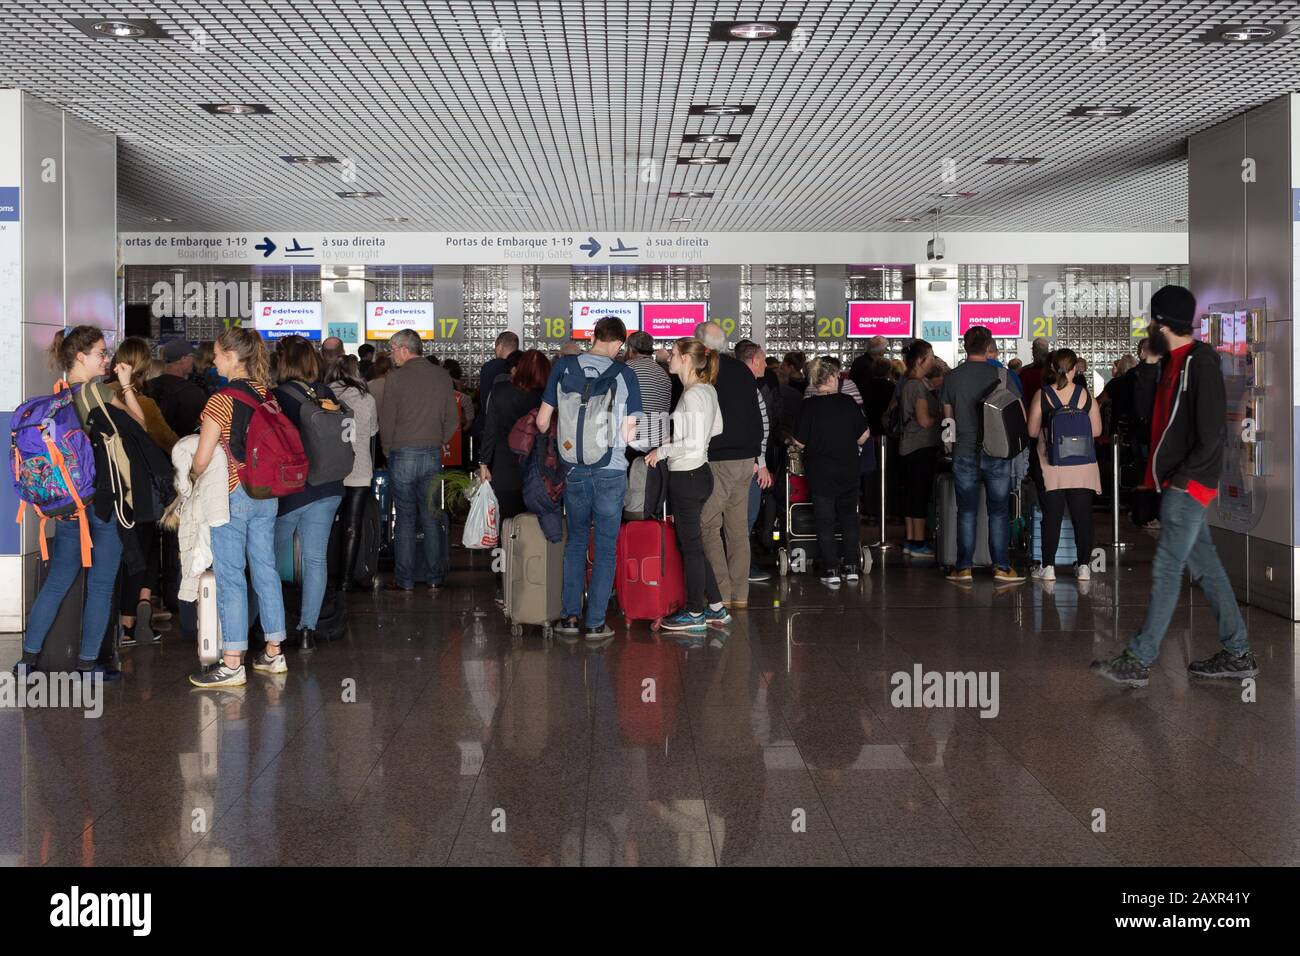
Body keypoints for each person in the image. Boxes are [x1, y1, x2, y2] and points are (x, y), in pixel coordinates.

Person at [1092, 286, 1257, 687]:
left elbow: (1210, 432)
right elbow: (1155, 420)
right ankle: (1238, 653)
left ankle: (1140, 658)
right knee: (1207, 568)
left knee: (1167, 570)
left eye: (1152, 320)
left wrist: (1182, 482)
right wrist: (1148, 367)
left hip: (1187, 486)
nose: (1149, 326)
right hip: (1175, 484)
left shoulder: (1200, 363)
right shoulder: (1171, 362)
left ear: (1162, 323)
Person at [12, 327, 145, 681]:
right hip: (102, 503)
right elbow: (140, 426)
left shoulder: (54, 400)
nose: (107, 359)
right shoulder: (98, 392)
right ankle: (88, 666)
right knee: (101, 584)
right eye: (101, 353)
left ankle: (27, 661)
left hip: (67, 502)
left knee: (57, 581)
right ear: (81, 357)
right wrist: (128, 385)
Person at [188, 327, 288, 688]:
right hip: (266, 493)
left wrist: (189, 475)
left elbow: (201, 459)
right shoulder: (267, 395)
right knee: (265, 569)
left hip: (232, 494)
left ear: (232, 356)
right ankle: (274, 652)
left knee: (231, 575)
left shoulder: (221, 399)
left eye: (217, 353)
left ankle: (232, 662)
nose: (213, 360)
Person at [537, 316, 642, 640]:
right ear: (620, 343)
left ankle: (569, 617)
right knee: (606, 547)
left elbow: (542, 423)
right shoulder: (625, 374)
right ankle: (595, 622)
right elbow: (630, 431)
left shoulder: (564, 367)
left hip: (574, 470)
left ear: (594, 336)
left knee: (576, 542)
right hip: (610, 470)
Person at [645, 338, 728, 631]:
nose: (669, 358)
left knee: (691, 547)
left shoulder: (692, 395)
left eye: (674, 354)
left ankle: (695, 614)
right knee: (694, 544)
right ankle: (716, 607)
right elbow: (716, 428)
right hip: (701, 472)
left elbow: (691, 441)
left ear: (686, 360)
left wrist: (662, 451)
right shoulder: (707, 391)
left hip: (687, 475)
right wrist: (677, 441)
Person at [269, 337, 346, 651]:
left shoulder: (276, 397)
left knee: (267, 559)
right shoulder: (326, 394)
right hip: (329, 486)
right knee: (315, 560)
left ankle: (269, 628)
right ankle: (307, 630)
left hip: (292, 489)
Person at [940, 325, 1025, 585]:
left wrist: (949, 447)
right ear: (989, 347)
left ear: (965, 346)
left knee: (966, 510)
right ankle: (1001, 566)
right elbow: (1016, 412)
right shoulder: (1002, 374)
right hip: (997, 452)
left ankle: (963, 568)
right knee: (998, 510)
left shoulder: (952, 377)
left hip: (964, 451)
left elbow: (948, 419)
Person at [107, 337, 178, 647]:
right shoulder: (143, 403)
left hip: (111, 487)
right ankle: (139, 608)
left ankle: (122, 625)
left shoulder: (97, 395)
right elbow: (165, 439)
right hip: (141, 488)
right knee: (146, 548)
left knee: (124, 552)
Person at [378, 329, 459, 593]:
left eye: (393, 349)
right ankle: (435, 577)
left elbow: (387, 421)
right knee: (432, 516)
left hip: (402, 454)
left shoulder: (395, 379)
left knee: (404, 518)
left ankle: (405, 580)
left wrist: (389, 450)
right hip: (432, 454)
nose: (391, 355)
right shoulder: (442, 376)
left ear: (404, 349)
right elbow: (452, 420)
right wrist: (439, 440)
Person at [696, 321, 767, 610]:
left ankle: (721, 592)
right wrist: (756, 458)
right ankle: (740, 594)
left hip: (719, 458)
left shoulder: (706, 372)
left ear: (701, 346)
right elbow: (757, 416)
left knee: (706, 523)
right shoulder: (742, 370)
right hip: (744, 460)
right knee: (737, 528)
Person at [793, 358, 870, 586]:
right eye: (837, 376)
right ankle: (852, 566)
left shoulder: (808, 406)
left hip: (820, 471)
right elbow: (863, 435)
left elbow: (799, 442)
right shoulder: (848, 403)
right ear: (829, 378)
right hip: (848, 468)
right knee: (849, 518)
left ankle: (831, 570)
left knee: (825, 520)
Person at [1026, 349, 1101, 581]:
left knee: (1052, 515)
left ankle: (1048, 567)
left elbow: (1031, 431)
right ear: (1074, 369)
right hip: (1082, 465)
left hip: (1051, 464)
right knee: (1083, 516)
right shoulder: (1086, 395)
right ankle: (1084, 567)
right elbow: (1097, 431)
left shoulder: (1043, 394)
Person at [326, 354, 378, 591]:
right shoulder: (366, 399)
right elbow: (372, 431)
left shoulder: (325, 394)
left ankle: (325, 575)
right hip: (359, 468)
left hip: (331, 467)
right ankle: (346, 580)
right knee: (352, 524)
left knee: (327, 522)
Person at [480, 349, 551, 524]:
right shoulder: (548, 396)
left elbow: (490, 430)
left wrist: (484, 463)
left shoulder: (500, 391)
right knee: (537, 524)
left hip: (505, 467)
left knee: (505, 522)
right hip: (539, 469)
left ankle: (505, 551)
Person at [735, 340, 776, 583]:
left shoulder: (730, 385)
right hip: (747, 464)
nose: (765, 364)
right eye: (763, 359)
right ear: (754, 360)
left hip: (735, 461)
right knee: (746, 517)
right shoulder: (749, 388)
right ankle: (743, 569)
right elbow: (759, 428)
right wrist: (760, 462)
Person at [899, 339, 941, 557]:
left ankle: (910, 539)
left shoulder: (907, 382)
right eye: (931, 356)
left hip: (908, 446)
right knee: (920, 494)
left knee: (911, 494)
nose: (933, 360)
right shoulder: (918, 386)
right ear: (920, 360)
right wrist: (941, 415)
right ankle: (918, 542)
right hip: (921, 445)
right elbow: (924, 421)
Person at [624, 330, 671, 451]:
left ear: (630, 349)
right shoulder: (663, 375)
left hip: (631, 442)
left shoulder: (625, 370)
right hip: (657, 443)